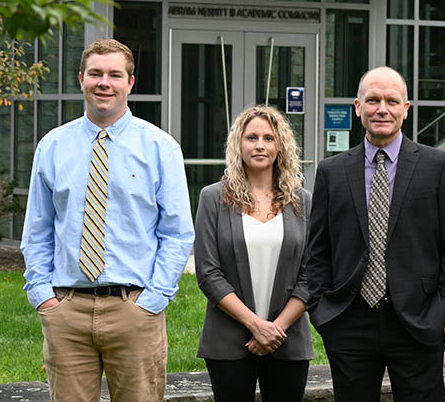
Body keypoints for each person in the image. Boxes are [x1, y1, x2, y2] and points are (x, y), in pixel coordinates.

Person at [21, 39, 195, 402]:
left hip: (133, 310)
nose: (105, 83)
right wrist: (43, 297)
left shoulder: (160, 148)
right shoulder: (51, 147)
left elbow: (177, 233)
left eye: (115, 75)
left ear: (130, 83)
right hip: (67, 311)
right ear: (81, 78)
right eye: (96, 74)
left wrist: (153, 299)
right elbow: (37, 231)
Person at [307, 66, 445, 401]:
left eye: (392, 101)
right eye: (373, 100)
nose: (382, 108)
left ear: (406, 109)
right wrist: (323, 312)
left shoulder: (438, 166)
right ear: (358, 107)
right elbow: (318, 250)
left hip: (419, 321)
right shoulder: (331, 172)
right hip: (349, 322)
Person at [194, 106, 313, 402]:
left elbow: (313, 273)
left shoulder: (304, 202)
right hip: (228, 341)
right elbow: (208, 273)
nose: (260, 145)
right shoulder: (212, 198)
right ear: (238, 144)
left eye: (268, 138)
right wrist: (255, 325)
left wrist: (276, 329)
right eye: (252, 137)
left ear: (280, 146)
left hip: (287, 340)